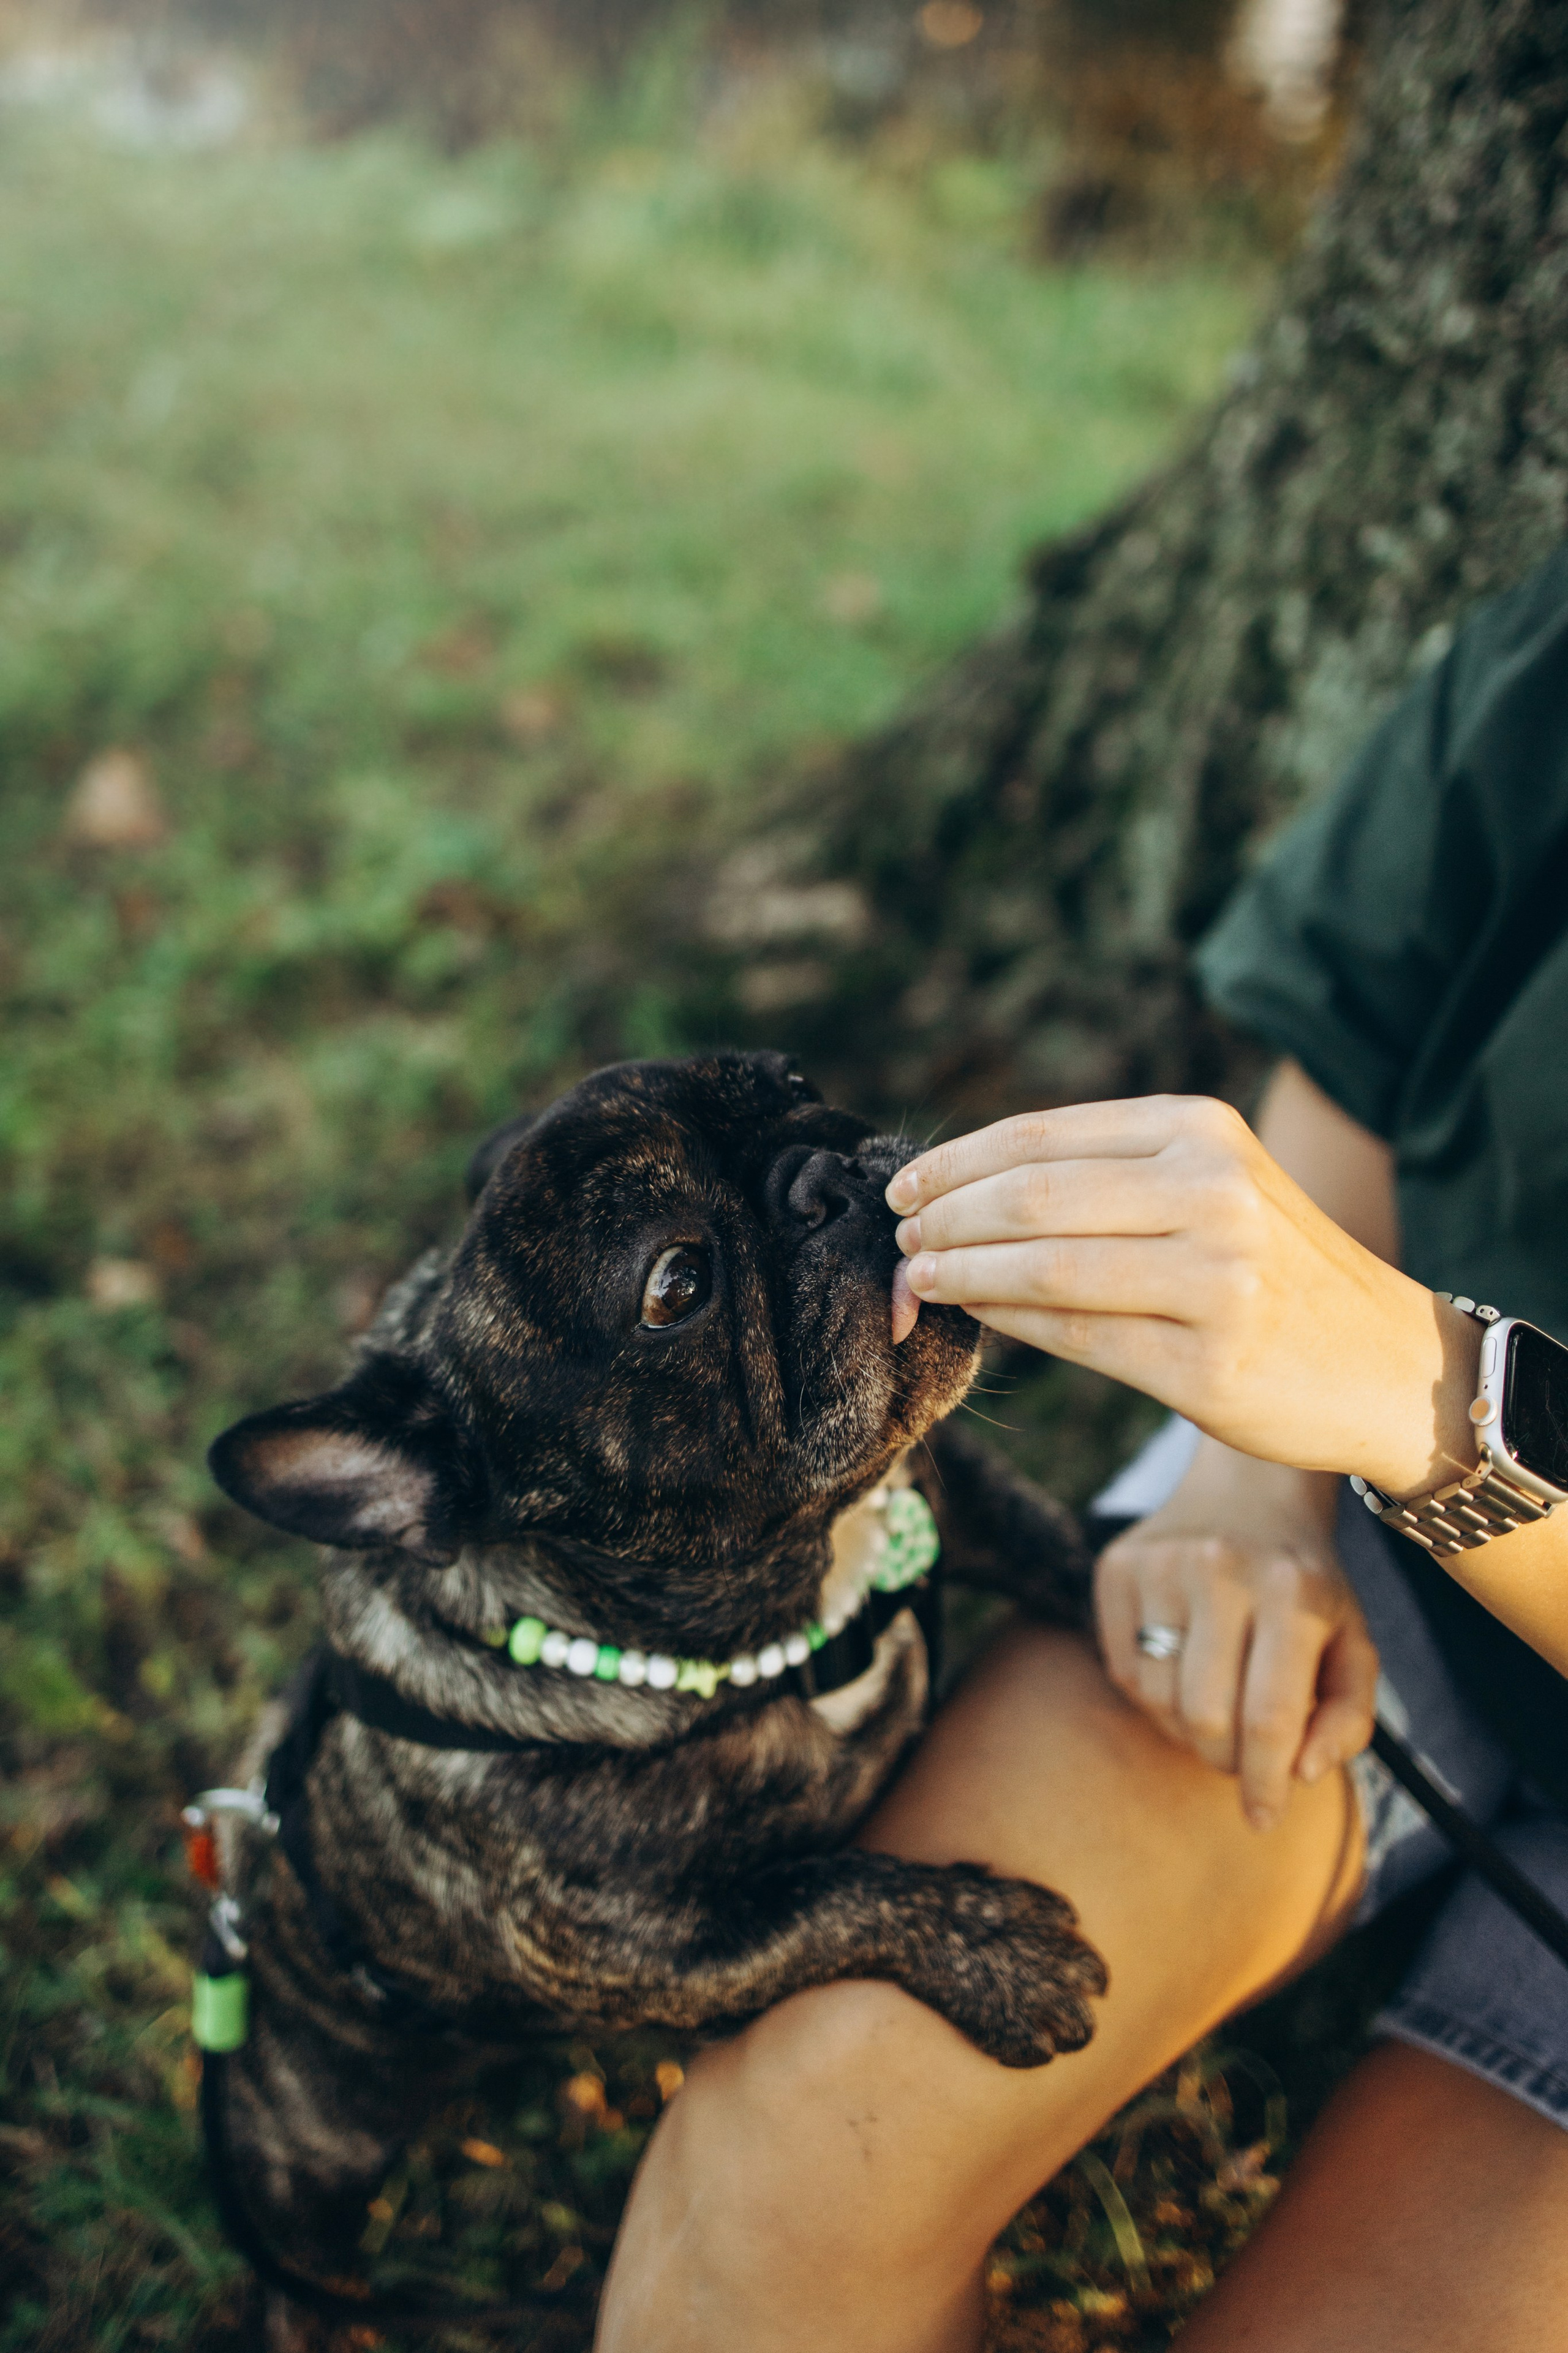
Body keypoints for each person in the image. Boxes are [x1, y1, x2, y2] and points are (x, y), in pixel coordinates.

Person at [595, 547, 1568, 2352]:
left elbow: (1420, 1391)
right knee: (791, 2189)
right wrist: (1249, 1482)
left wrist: (1434, 1404)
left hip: (1417, 1430)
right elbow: (1375, 1018)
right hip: (1371, 1529)